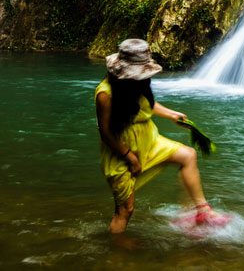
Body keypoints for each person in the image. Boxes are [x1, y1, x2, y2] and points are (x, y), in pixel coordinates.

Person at [95, 38, 227, 233]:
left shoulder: (136, 84)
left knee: (188, 155)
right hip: (121, 151)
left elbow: (146, 105)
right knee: (125, 210)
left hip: (149, 140)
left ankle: (202, 211)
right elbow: (105, 133)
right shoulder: (105, 94)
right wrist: (130, 158)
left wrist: (172, 114)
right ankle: (116, 247)